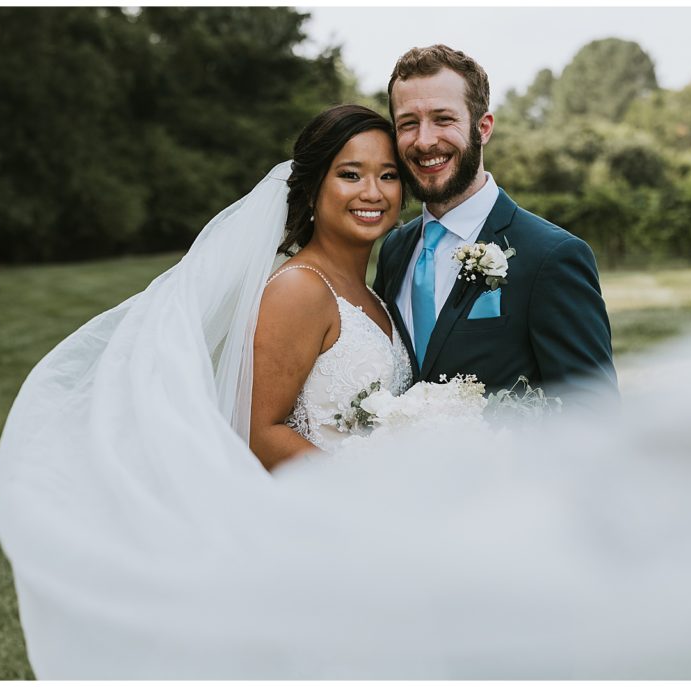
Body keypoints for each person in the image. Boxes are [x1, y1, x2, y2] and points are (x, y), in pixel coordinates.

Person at [373, 44, 619, 409]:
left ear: (483, 127)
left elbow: (593, 416)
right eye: (409, 123)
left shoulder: (551, 257)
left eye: (443, 119)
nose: (424, 140)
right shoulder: (394, 249)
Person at [249, 105, 412, 469]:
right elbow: (258, 433)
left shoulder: (371, 296)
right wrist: (362, 494)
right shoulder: (299, 289)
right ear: (311, 190)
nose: (372, 193)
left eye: (388, 175)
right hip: (324, 510)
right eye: (350, 175)